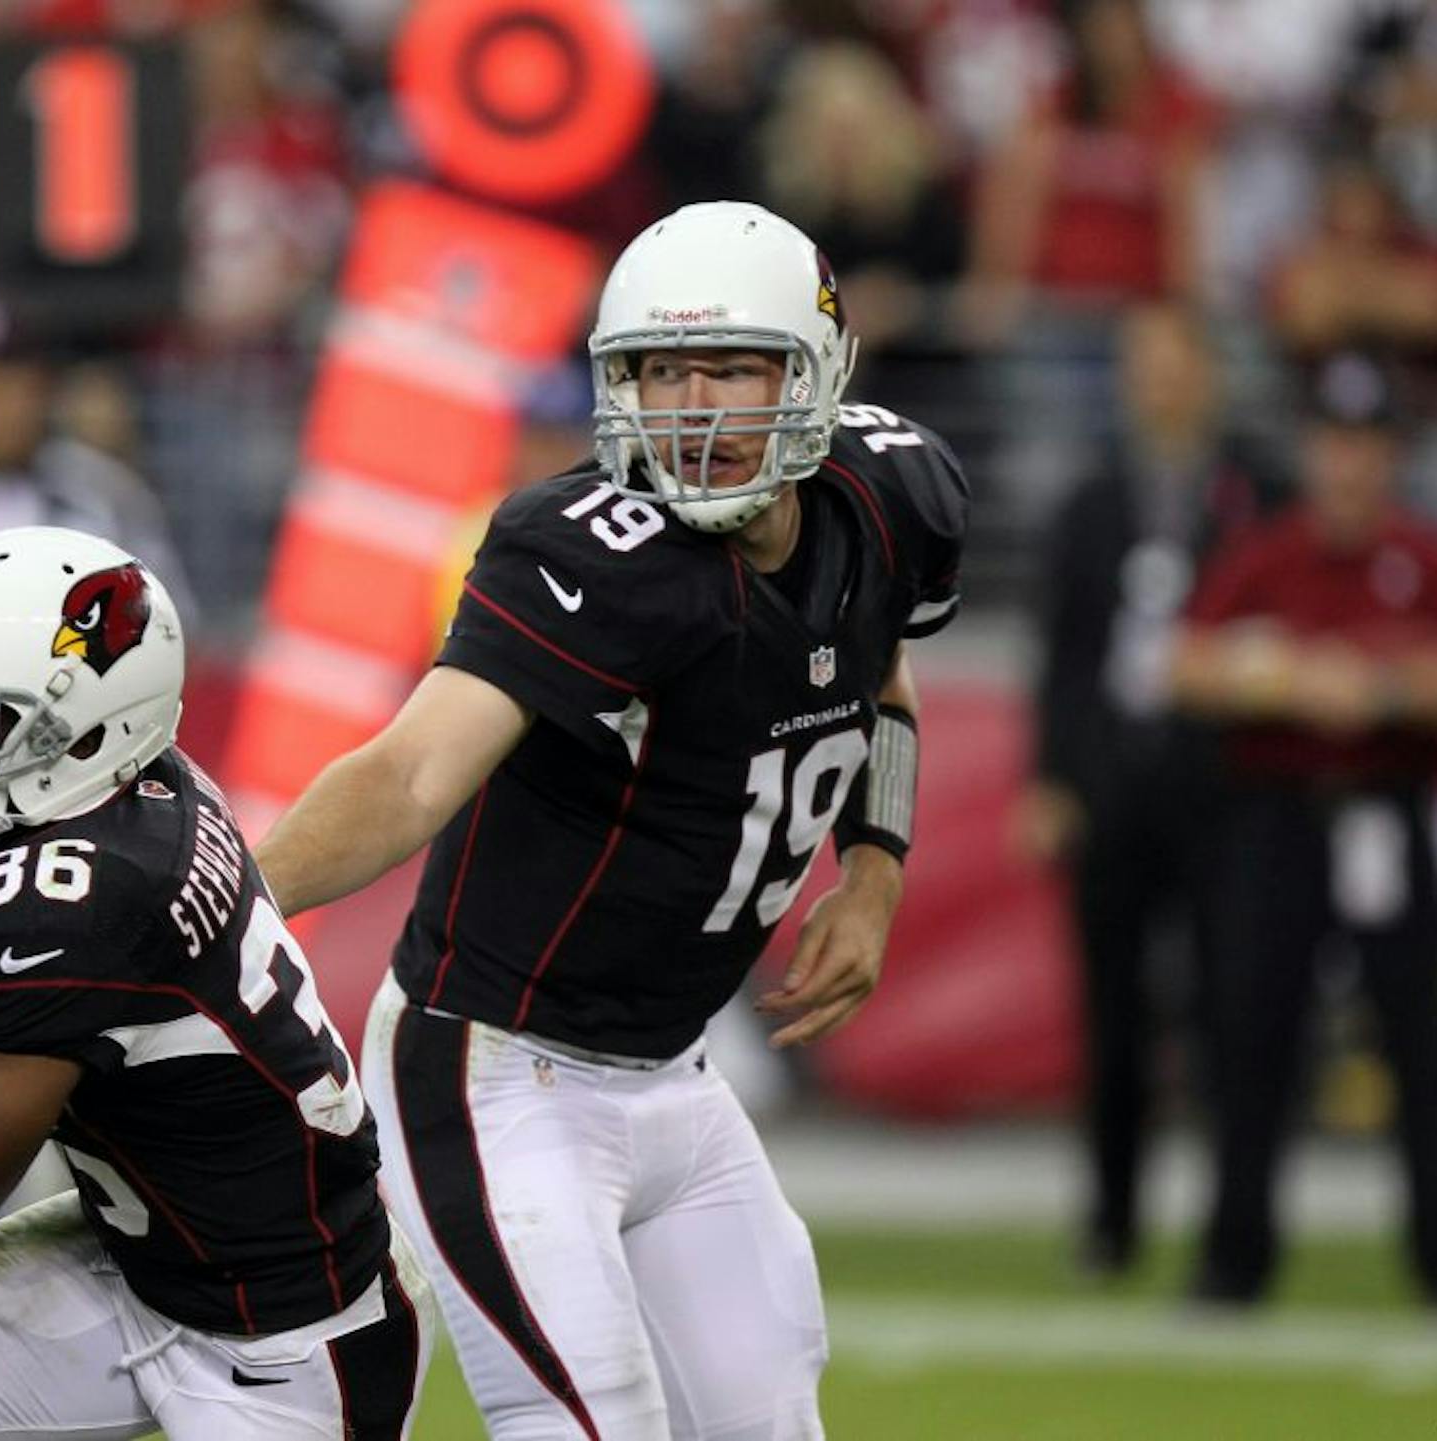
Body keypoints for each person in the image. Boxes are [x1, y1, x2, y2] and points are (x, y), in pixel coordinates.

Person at [254, 201, 970, 1439]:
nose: (692, 409)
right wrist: (206, 911)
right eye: (658, 371)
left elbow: (879, 667)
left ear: (815, 367)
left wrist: (875, 867)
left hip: (676, 1078)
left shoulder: (895, 496)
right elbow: (412, 778)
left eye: (732, 369)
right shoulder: (590, 551)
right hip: (497, 1074)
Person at [0, 526, 431, 1439]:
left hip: (292, 1341)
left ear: (78, 727)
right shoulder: (105, 788)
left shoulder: (75, 900)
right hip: (136, 1257)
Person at [1167, 351, 1437, 1308]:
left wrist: (1382, 689)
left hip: (1387, 814)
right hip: (1277, 820)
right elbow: (1185, 663)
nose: (1350, 464)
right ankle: (1236, 1256)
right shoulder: (1265, 552)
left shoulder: (1422, 552)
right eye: (1336, 442)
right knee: (1252, 1036)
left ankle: (1435, 1255)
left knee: (1420, 1038)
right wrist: (1285, 676)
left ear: (1391, 454)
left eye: (1368, 444)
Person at [1014, 303, 1279, 1276]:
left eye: (1176, 362)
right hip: (1113, 785)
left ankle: (1234, 1226)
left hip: (1228, 786)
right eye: (1144, 364)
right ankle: (1112, 1221)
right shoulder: (1091, 498)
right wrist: (1049, 776)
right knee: (1113, 1018)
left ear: (1209, 372)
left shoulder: (1256, 485)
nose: (1159, 381)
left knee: (1233, 1012)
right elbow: (1062, 652)